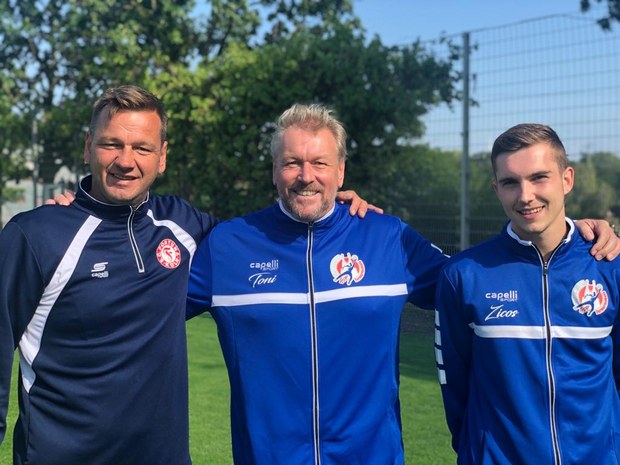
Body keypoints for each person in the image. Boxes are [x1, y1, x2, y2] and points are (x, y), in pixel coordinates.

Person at [185, 108, 620, 465]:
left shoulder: (386, 237)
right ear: (275, 170)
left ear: (340, 170)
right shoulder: (229, 245)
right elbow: (153, 301)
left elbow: (483, 280)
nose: (306, 175)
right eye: (291, 162)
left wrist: (573, 240)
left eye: (320, 163)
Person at [0, 85, 371, 465]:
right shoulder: (36, 236)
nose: (126, 161)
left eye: (142, 148)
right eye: (111, 145)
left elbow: (264, 244)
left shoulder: (183, 225)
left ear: (162, 157)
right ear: (88, 147)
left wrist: (337, 215)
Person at [434, 123, 620, 465]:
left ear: (566, 179)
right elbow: (454, 383)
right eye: (510, 182)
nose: (525, 196)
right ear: (496, 189)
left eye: (539, 178)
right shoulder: (464, 274)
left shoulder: (609, 265)